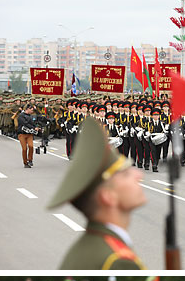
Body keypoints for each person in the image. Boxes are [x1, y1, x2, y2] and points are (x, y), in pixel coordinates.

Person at [47, 115, 147, 271]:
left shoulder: (93, 246)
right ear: (108, 196)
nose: (139, 175)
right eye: (126, 174)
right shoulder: (118, 260)